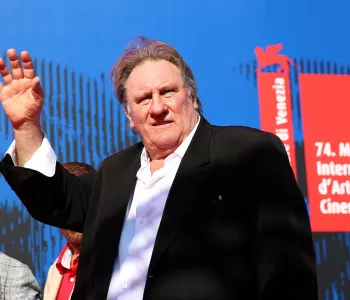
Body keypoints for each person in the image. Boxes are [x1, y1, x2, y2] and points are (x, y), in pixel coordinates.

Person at [0, 37, 317, 300]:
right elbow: (56, 200)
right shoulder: (114, 171)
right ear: (129, 115)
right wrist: (27, 126)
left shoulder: (247, 152)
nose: (157, 108)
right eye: (143, 99)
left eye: (167, 92)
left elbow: (288, 274)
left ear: (192, 98)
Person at [43, 162, 95, 300]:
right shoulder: (56, 270)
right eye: (65, 205)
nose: (75, 215)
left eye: (83, 203)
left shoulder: (117, 262)